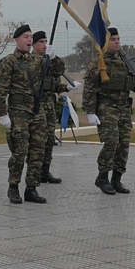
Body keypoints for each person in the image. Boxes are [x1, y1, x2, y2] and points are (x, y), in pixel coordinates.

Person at [82, 27, 135, 195]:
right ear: (105, 42)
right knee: (111, 141)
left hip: (124, 108)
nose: (117, 42)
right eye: (113, 39)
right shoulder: (98, 62)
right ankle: (102, 177)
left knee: (123, 144)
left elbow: (133, 83)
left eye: (118, 39)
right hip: (106, 107)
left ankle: (116, 179)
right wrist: (90, 111)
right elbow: (90, 89)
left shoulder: (125, 62)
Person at [0, 25, 59, 204]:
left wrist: (53, 57)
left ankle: (32, 188)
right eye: (25, 37)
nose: (29, 40)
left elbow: (57, 71)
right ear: (17, 40)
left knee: (38, 150)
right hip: (19, 111)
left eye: (30, 37)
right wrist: (2, 114)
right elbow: (1, 90)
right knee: (19, 151)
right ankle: (13, 187)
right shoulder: (9, 61)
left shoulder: (38, 60)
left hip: (37, 110)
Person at [32, 30, 79, 185]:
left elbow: (58, 74)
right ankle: (34, 172)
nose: (44, 45)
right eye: (41, 42)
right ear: (33, 45)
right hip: (36, 106)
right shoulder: (31, 61)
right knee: (37, 141)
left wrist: (67, 87)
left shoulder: (49, 61)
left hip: (49, 105)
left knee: (49, 139)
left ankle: (45, 171)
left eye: (46, 42)